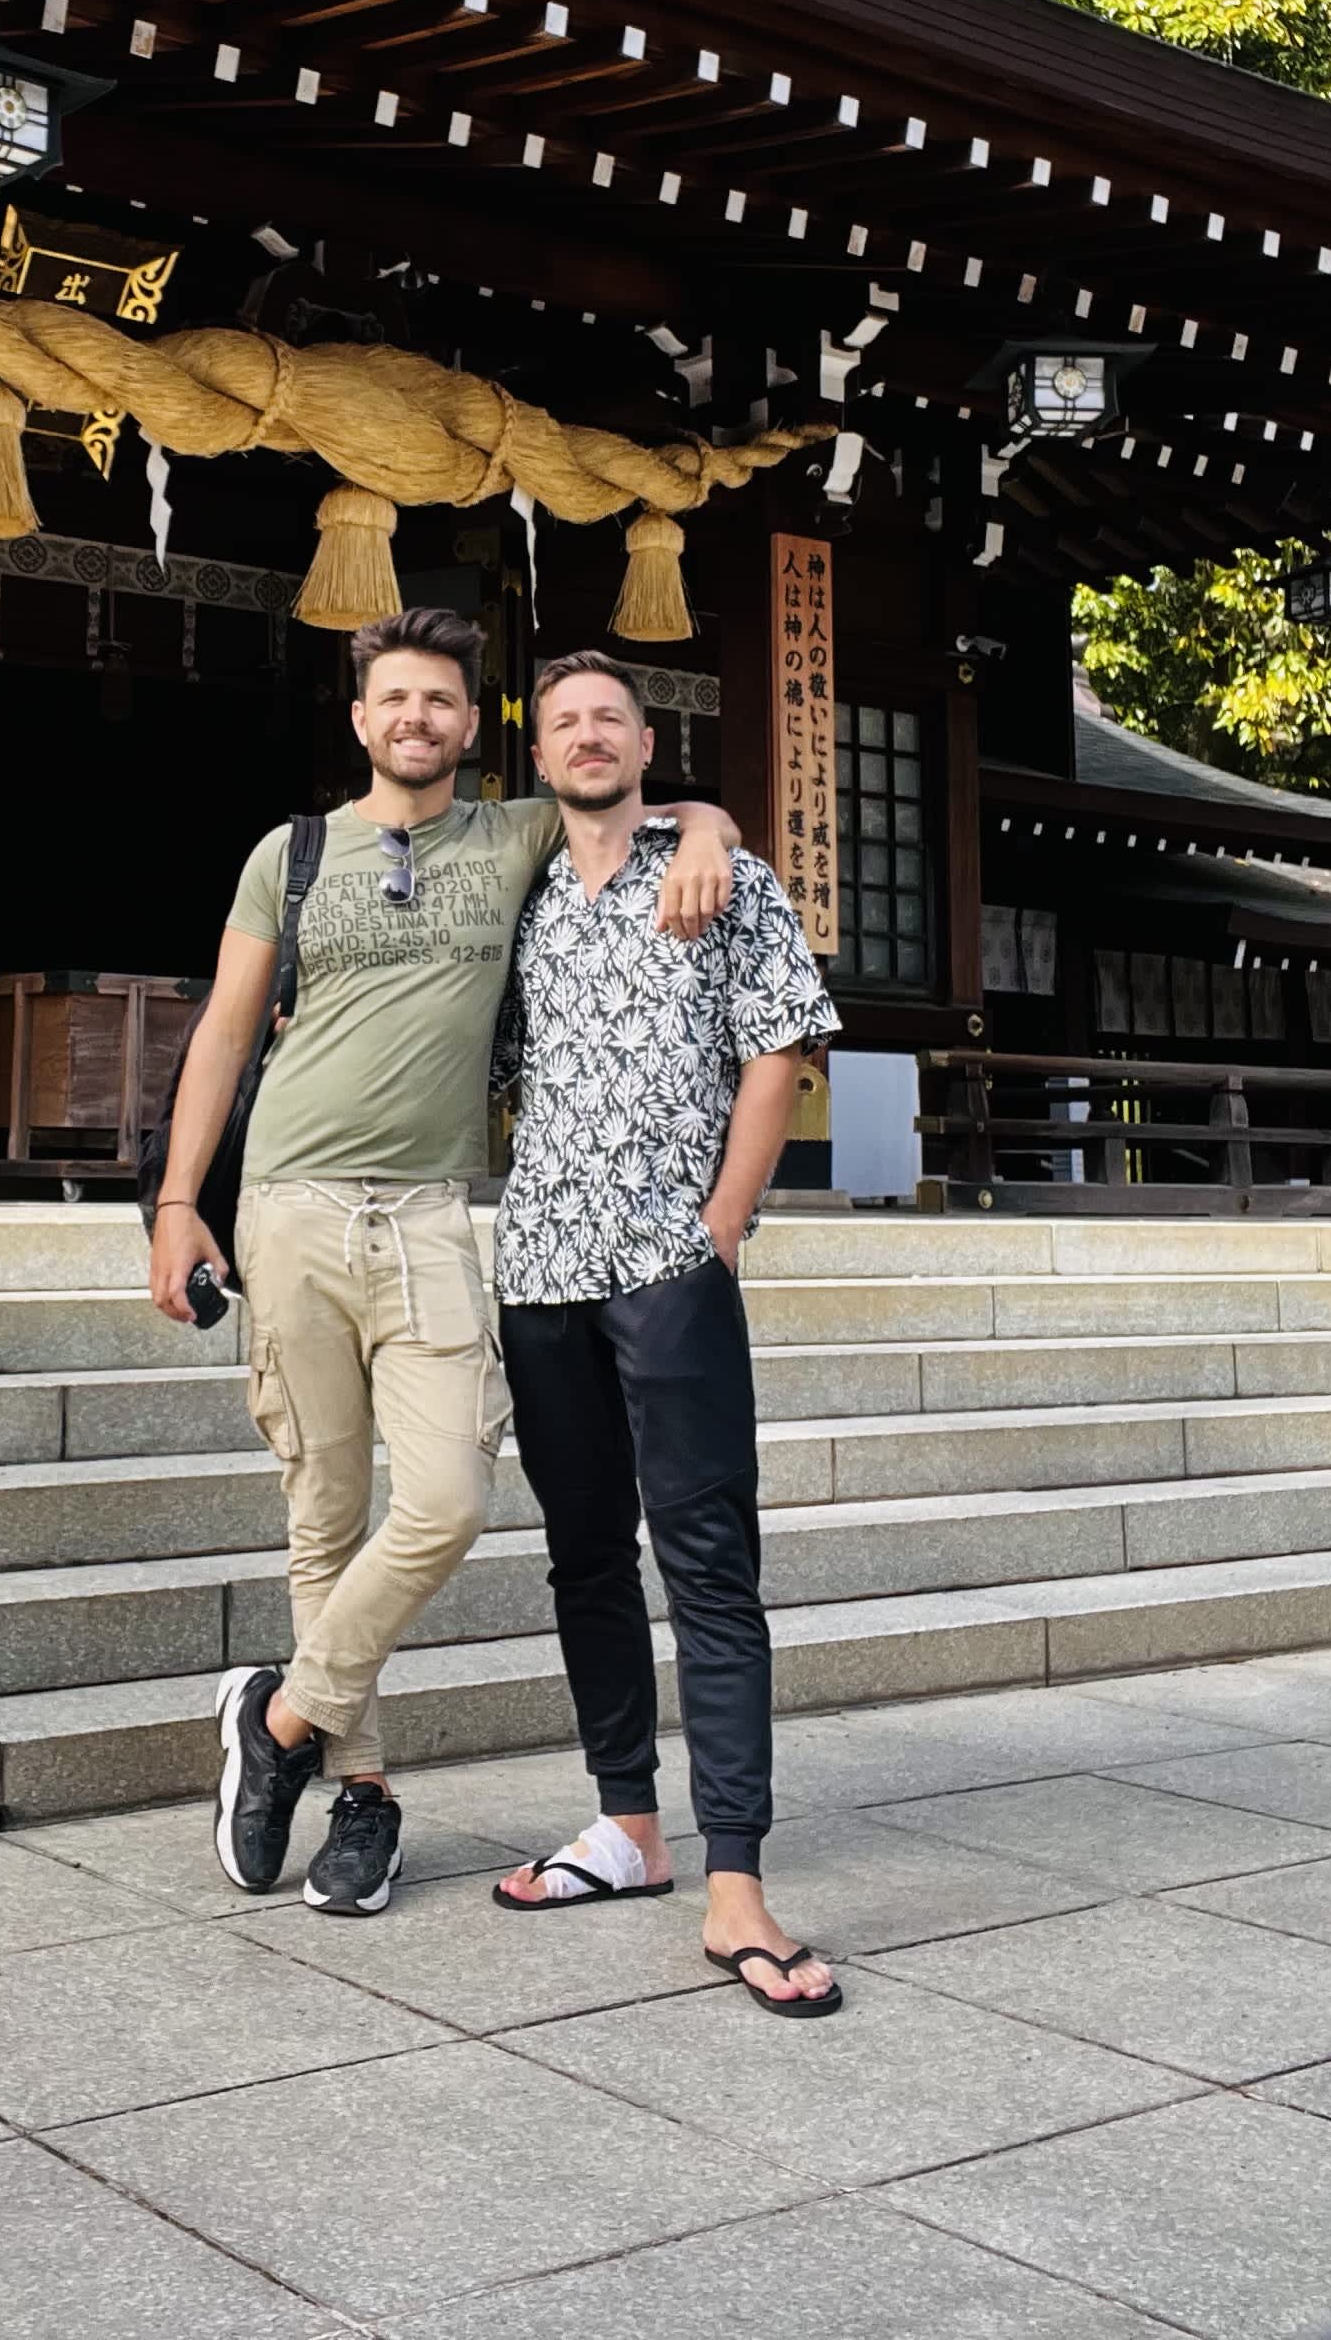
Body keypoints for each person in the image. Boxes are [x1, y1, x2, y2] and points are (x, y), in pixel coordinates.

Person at [148, 606, 740, 1918]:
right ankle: (363, 1798)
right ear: (361, 721)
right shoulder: (290, 857)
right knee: (323, 1514)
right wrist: (179, 1201)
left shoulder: (517, 831)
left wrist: (708, 827)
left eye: (441, 704)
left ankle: (283, 1718)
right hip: (290, 1207)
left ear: (477, 729)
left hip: (425, 1216)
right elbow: (225, 1032)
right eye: (394, 701)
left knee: (448, 1501)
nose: (416, 720)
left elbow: (649, 804)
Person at [486, 649, 846, 2016]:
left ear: (649, 745)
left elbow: (778, 1049)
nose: (586, 737)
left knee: (707, 1557)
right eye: (564, 721)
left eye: (608, 721)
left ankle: (737, 1876)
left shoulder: (722, 877)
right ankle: (627, 1825)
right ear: (540, 752)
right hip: (540, 1268)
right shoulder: (514, 895)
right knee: (584, 1550)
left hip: (667, 1260)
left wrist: (724, 1222)